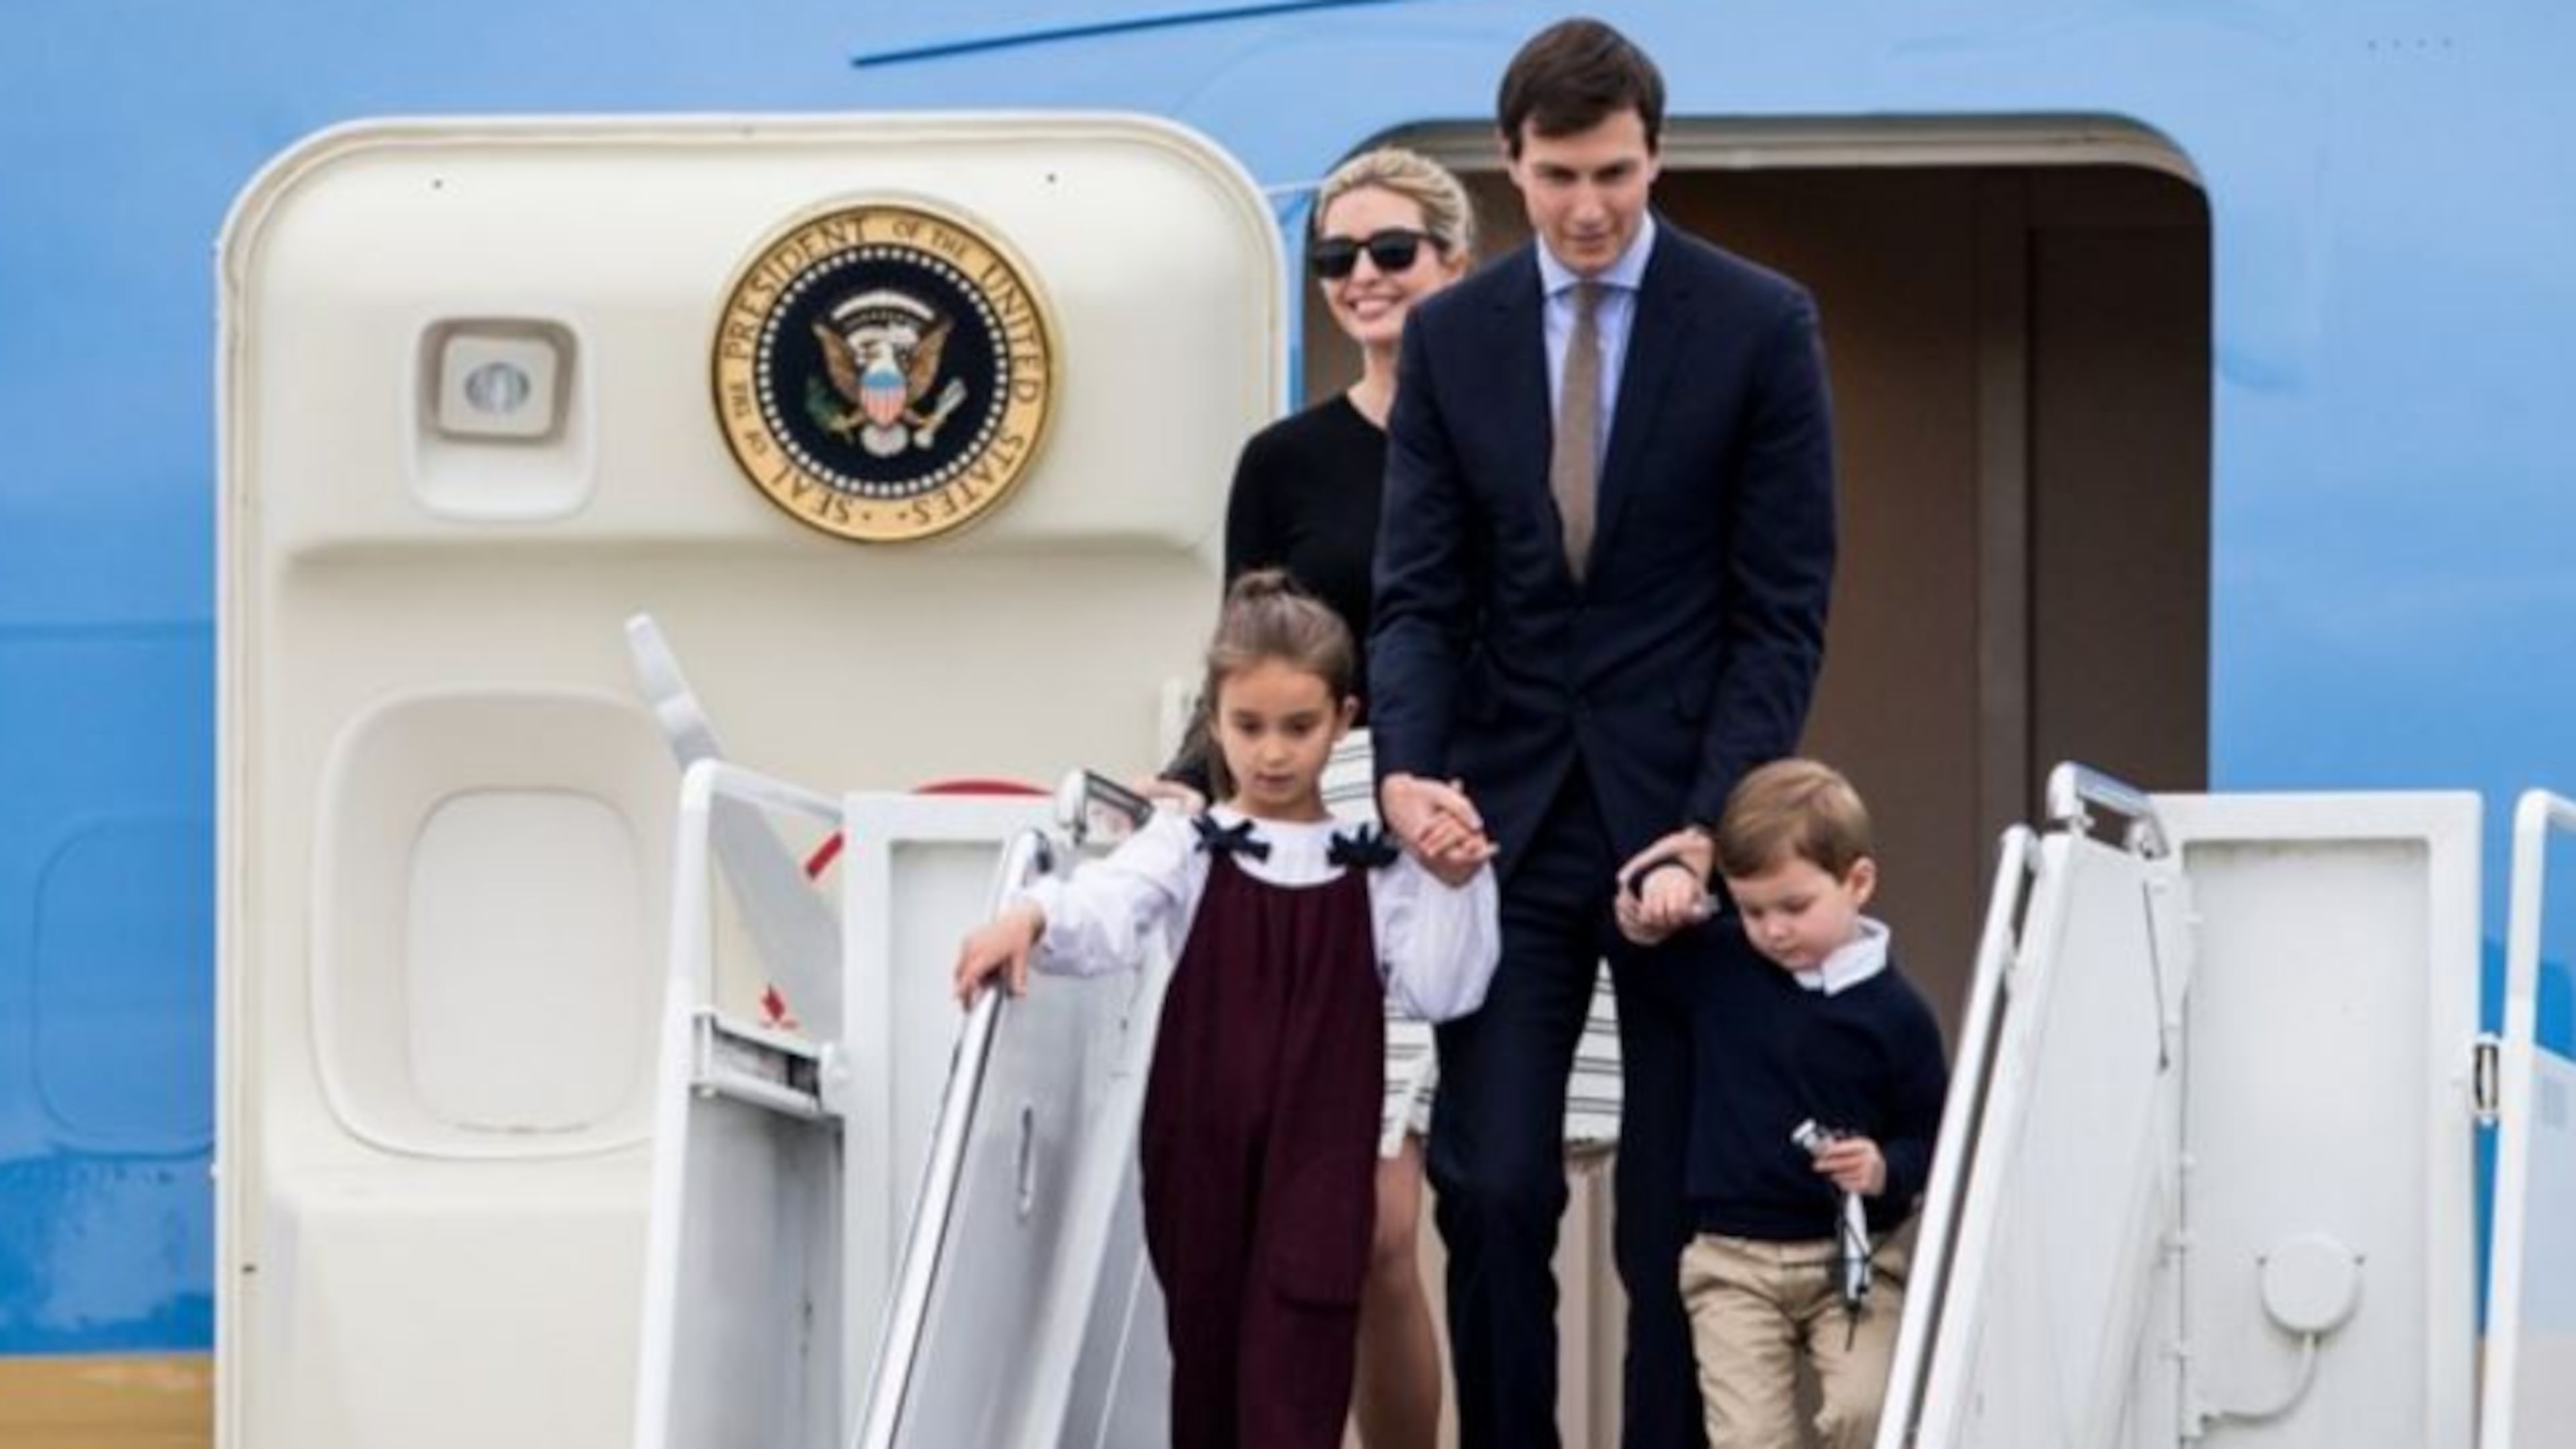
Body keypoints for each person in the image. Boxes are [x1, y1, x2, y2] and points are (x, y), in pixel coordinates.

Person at [1368, 17, 1838, 1448]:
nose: (1589, 207)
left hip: (1682, 824)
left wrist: (1713, 821)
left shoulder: (1761, 323)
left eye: (1618, 175)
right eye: (1560, 174)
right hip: (1499, 828)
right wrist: (1404, 773)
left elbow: (1782, 609)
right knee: (1494, 1182)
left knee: (1666, 1214)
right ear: (1510, 165)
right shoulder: (1453, 336)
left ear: (1658, 155)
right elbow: (1416, 595)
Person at [1163, 145, 1621, 1446]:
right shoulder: (1287, 458)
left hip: (1510, 823)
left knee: (1513, 1181)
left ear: (1457, 262)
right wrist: (1189, 787)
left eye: (1391, 252)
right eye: (1336, 259)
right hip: (1336, 836)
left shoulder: (1536, 419)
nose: (1361, 278)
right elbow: (1244, 655)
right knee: (1369, 1220)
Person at [957, 571, 1499, 1449]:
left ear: (1345, 720)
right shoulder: (1188, 845)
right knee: (1206, 1365)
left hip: (1322, 1162)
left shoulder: (1376, 869)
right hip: (1196, 1150)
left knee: (1301, 1363)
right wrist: (1030, 915)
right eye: (1249, 727)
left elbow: (1444, 988)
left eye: (1299, 727)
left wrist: (1459, 884)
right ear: (1214, 720)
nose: (1273, 753)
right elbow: (1108, 906)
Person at [1664, 759, 1945, 1449]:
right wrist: (1656, 902)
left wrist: (1883, 1168)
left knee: (1868, 1411)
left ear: (1859, 883)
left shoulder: (1899, 1014)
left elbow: (1931, 1137)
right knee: (1749, 1439)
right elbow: (1631, 947)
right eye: (1752, 910)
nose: (1773, 930)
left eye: (1794, 907)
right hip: (1732, 1263)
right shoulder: (1722, 963)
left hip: (1855, 1259)